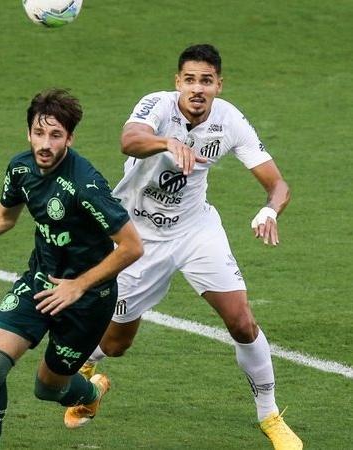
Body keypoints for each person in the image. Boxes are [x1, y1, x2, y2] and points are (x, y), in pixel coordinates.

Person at [71, 44, 303, 449]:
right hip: (137, 238)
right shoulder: (157, 106)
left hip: (196, 230)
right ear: (178, 82)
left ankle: (269, 415)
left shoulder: (230, 121)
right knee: (115, 344)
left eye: (206, 81)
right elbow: (129, 139)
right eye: (190, 80)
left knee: (241, 321)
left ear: (218, 85)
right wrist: (165, 143)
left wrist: (270, 211)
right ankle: (91, 371)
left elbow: (277, 184)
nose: (198, 88)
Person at [0, 88, 143, 450]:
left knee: (47, 389)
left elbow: (132, 246)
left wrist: (78, 285)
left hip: (87, 301)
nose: (46, 143)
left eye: (56, 135)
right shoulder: (21, 168)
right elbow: (4, 216)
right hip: (39, 282)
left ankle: (90, 390)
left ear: (70, 137)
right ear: (29, 133)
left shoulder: (86, 185)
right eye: (39, 133)